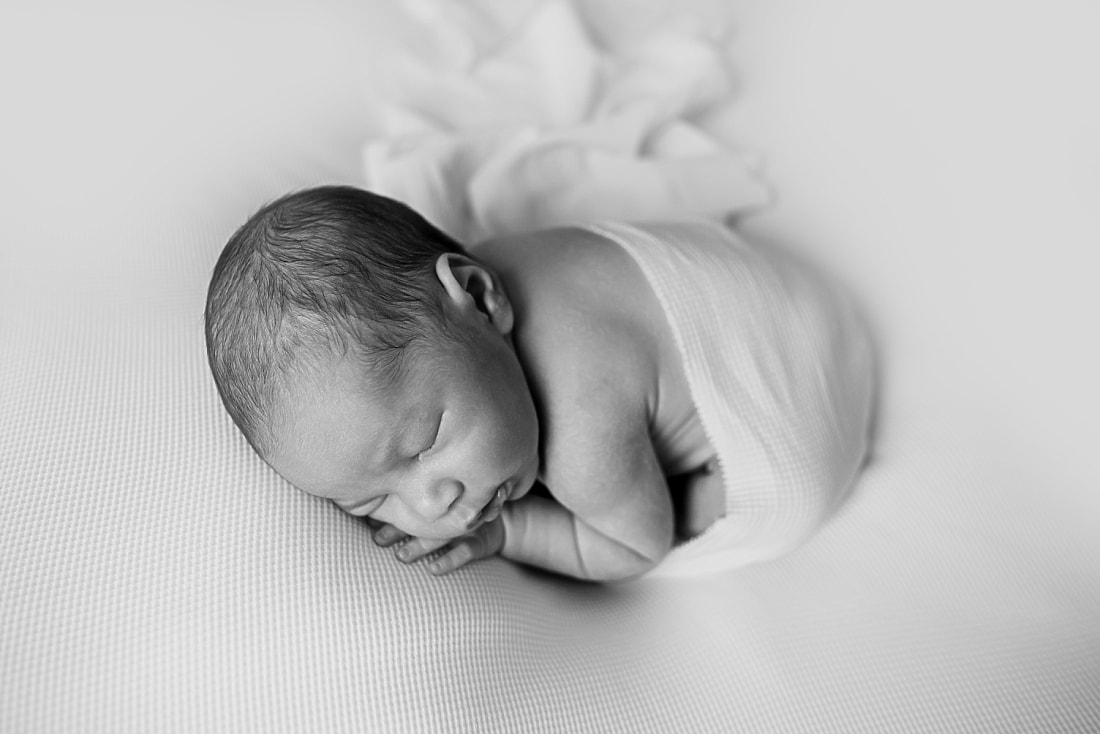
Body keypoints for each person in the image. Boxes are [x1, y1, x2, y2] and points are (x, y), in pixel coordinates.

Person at [204, 185, 874, 582]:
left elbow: (636, 546)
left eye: (425, 441)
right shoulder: (486, 275)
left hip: (802, 401)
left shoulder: (583, 433)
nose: (429, 505)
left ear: (478, 291)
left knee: (745, 505)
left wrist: (509, 536)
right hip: (780, 287)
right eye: (368, 504)